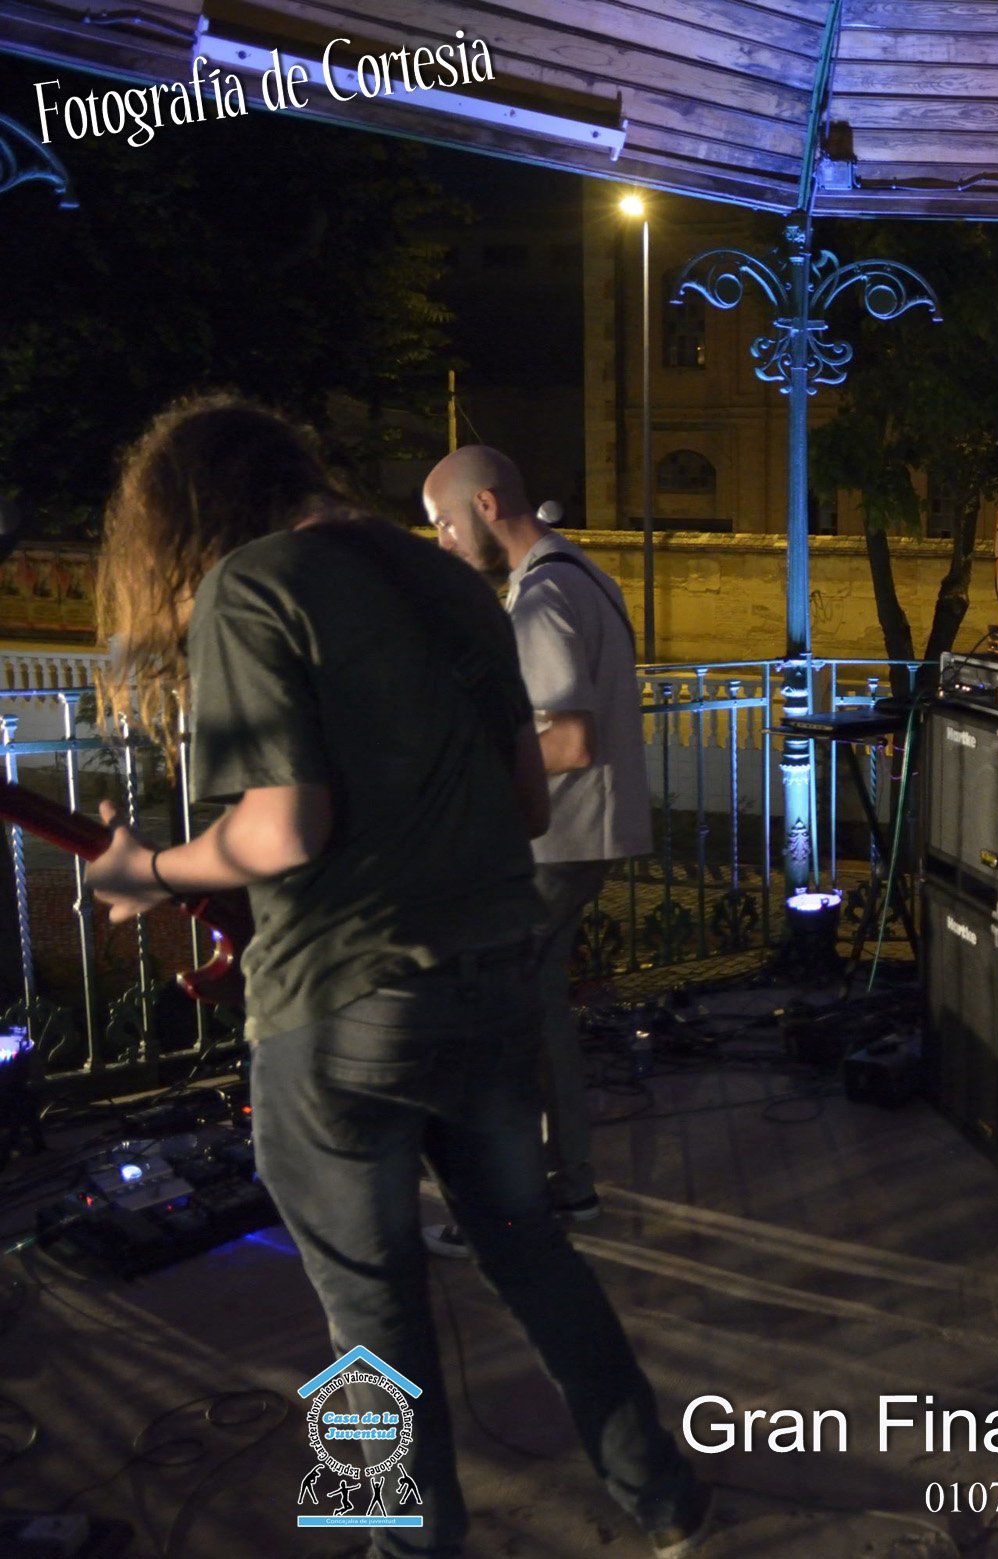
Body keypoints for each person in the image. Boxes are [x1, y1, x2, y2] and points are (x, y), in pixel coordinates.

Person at [84, 395, 709, 1558]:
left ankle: (408, 1543)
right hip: (491, 979)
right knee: (532, 1250)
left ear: (194, 512)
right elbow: (528, 803)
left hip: (341, 1011)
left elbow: (282, 828)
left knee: (365, 1311)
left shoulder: (252, 585)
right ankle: (665, 1498)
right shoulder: (452, 582)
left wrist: (150, 870)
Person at [419, 446, 649, 1251]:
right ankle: (568, 1186)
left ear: (485, 505)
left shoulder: (543, 597)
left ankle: (518, 1201)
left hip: (558, 841)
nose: (444, 542)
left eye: (446, 523)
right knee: (538, 1013)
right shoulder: (579, 573)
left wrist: (468, 765)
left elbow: (573, 739)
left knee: (498, 1022)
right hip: (582, 837)